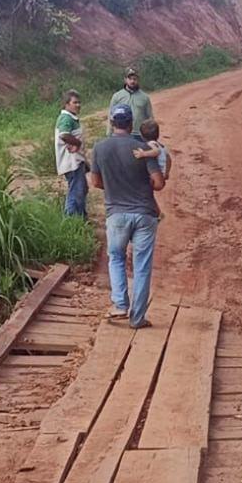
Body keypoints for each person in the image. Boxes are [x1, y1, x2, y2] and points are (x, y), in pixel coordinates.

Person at [90, 103, 165, 329]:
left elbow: (95, 182)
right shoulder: (142, 148)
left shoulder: (100, 148)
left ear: (112, 123)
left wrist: (114, 188)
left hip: (117, 215)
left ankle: (120, 305)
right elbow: (159, 183)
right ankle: (137, 318)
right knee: (141, 266)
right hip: (144, 214)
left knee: (117, 258)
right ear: (131, 123)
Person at [54, 90, 88, 218]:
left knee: (82, 189)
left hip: (76, 161)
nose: (78, 105)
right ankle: (71, 220)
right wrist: (77, 144)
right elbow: (64, 134)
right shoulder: (66, 118)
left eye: (79, 102)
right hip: (71, 162)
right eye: (75, 102)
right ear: (66, 104)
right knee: (76, 192)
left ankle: (81, 216)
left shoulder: (71, 118)